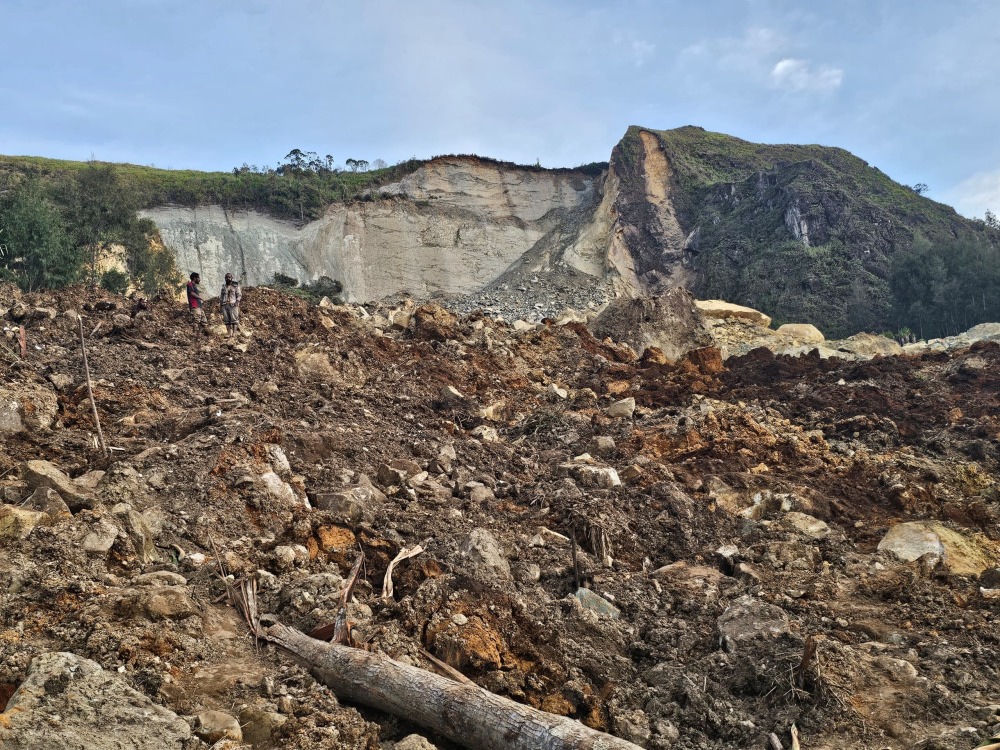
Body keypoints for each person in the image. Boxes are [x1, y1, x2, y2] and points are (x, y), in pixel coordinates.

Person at [220, 272, 242, 338]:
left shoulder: (235, 286)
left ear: (232, 278)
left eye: (229, 277)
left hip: (233, 304)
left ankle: (234, 333)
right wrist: (221, 305)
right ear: (225, 278)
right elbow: (221, 297)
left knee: (234, 319)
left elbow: (239, 295)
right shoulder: (223, 287)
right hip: (225, 305)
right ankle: (229, 333)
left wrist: (237, 302)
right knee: (226, 320)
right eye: (226, 277)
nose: (228, 278)